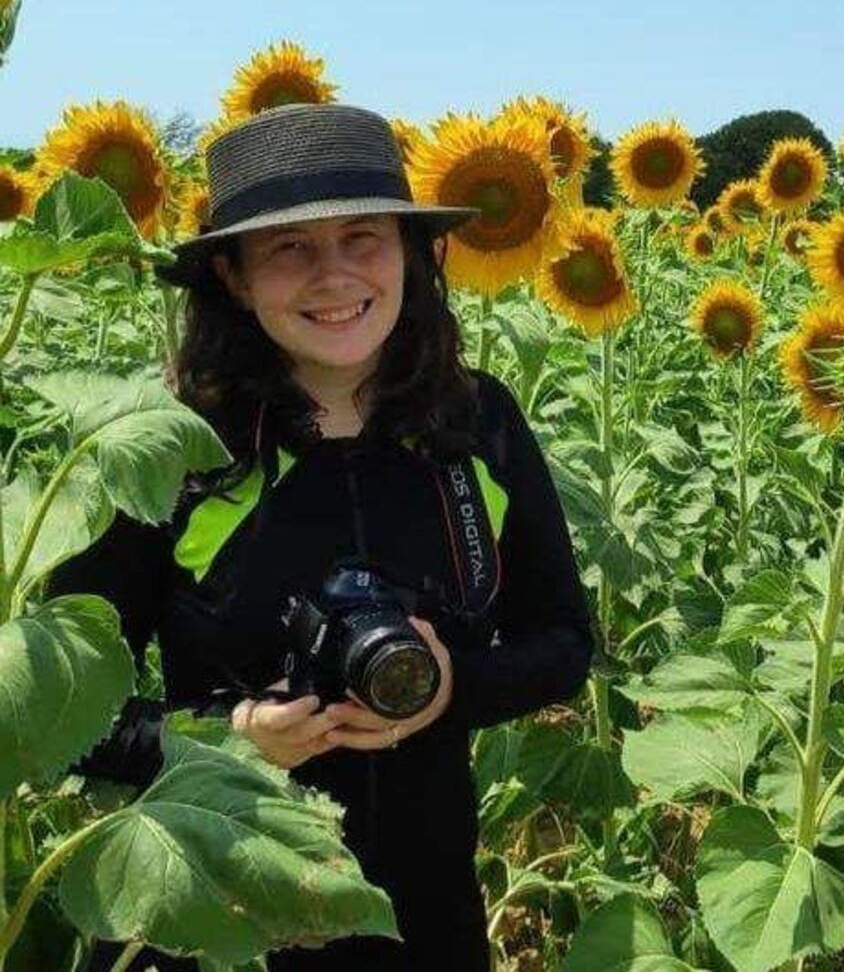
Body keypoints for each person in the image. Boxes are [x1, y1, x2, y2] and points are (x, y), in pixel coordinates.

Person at [47, 103, 594, 970]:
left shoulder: (475, 422)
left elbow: (564, 639)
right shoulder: (172, 447)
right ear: (232, 276)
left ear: (412, 254)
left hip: (426, 918)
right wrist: (228, 734)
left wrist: (455, 686)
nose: (334, 277)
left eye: (361, 237)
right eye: (289, 247)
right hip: (223, 913)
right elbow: (66, 712)